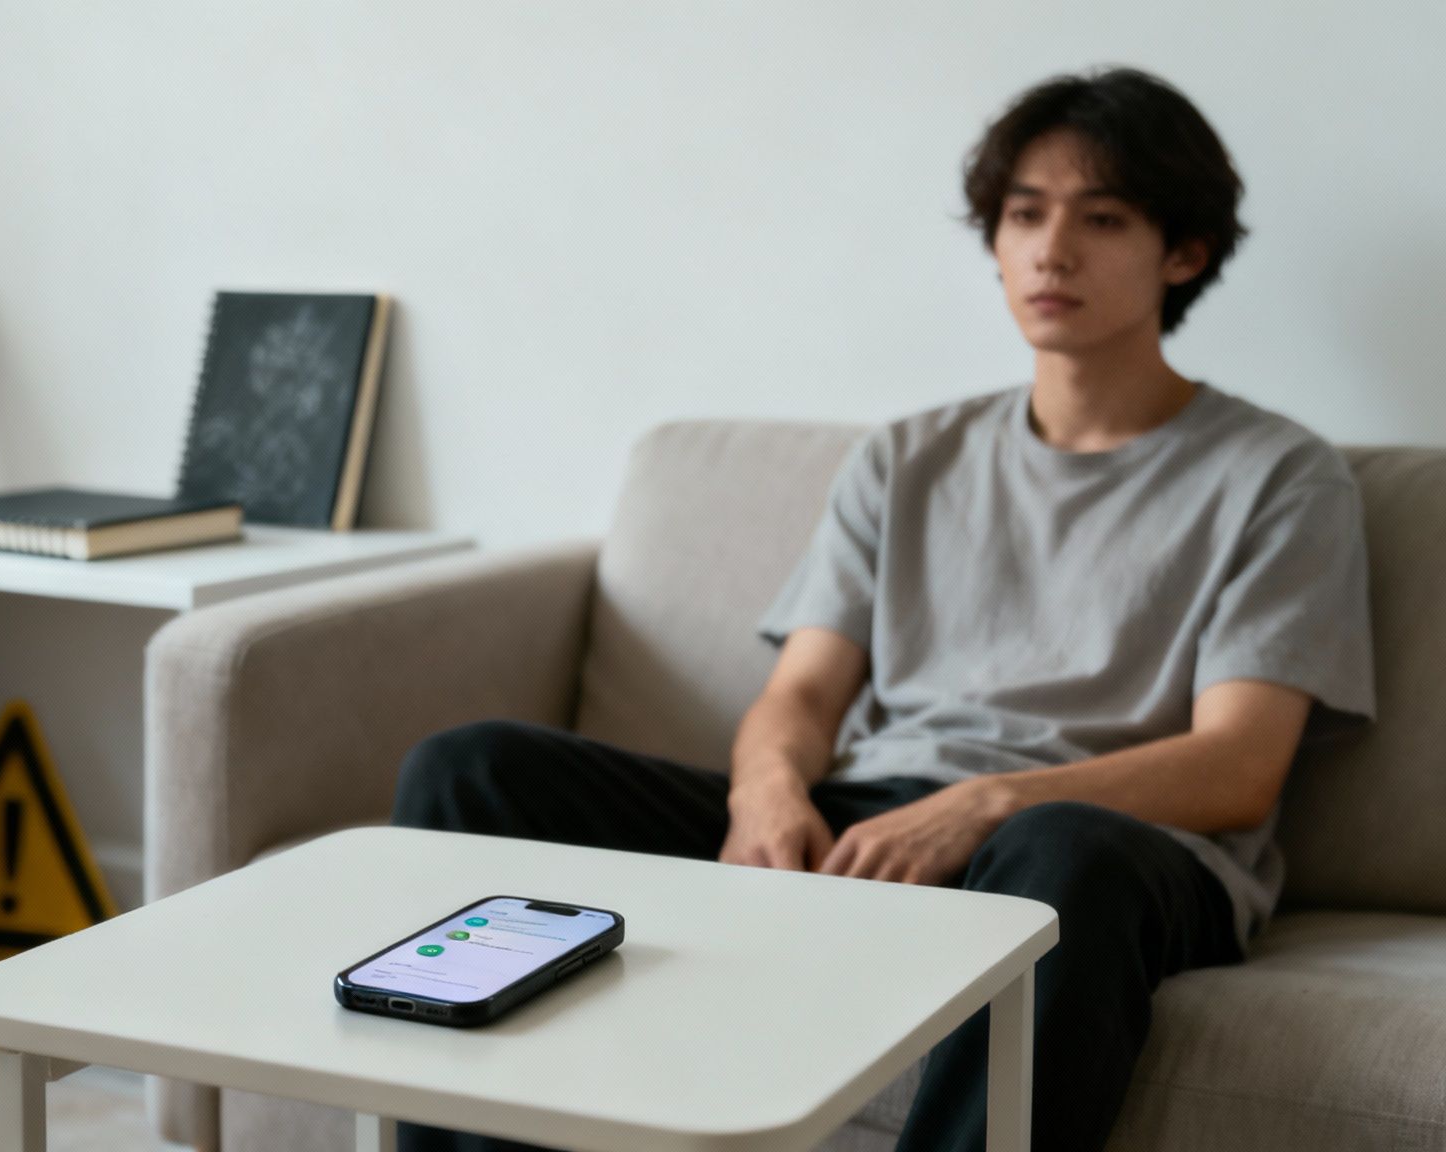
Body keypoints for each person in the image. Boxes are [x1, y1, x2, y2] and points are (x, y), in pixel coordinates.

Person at [391, 66, 1374, 1152]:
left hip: (1112, 852)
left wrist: (989, 805)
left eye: (1101, 219)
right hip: (882, 824)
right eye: (1022, 214)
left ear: (1180, 254)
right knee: (468, 768)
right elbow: (801, 692)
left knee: (1061, 853)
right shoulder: (908, 457)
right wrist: (765, 794)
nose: (1051, 250)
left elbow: (1237, 764)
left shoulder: (1278, 474)